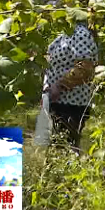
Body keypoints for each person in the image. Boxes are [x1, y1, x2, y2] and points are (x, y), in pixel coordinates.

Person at [42, 14, 100, 153]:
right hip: (58, 100)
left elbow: (84, 68)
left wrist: (60, 86)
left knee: (65, 148)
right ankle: (54, 174)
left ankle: (65, 174)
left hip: (71, 102)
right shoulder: (65, 34)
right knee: (57, 147)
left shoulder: (80, 33)